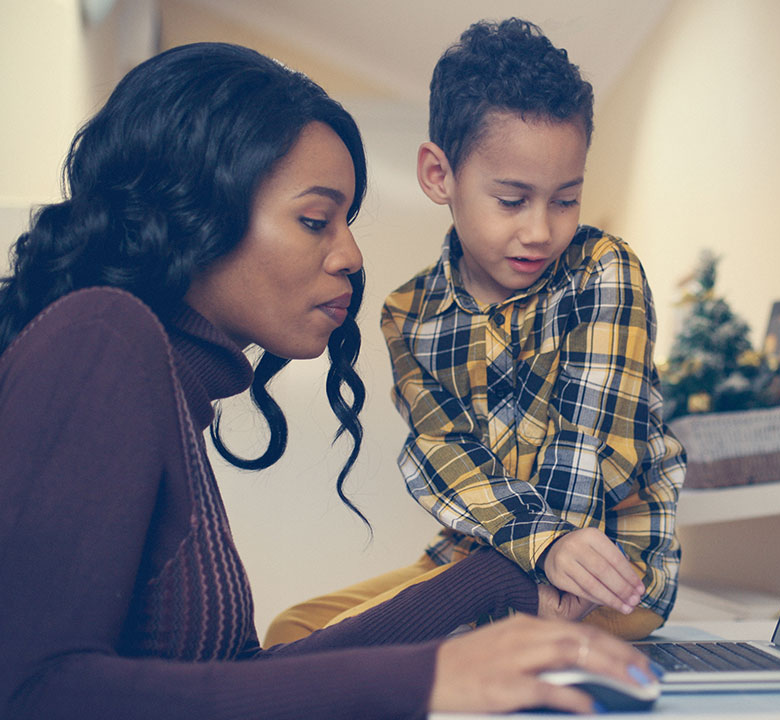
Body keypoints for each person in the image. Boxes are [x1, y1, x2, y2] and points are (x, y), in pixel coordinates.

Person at [0, 41, 655, 719]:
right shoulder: (99, 337)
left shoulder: (161, 385)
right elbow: (31, 694)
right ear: (195, 211)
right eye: (316, 220)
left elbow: (241, 682)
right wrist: (425, 679)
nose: (349, 255)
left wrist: (489, 581)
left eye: (346, 222)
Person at [265, 18, 686, 646]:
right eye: (512, 200)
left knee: (333, 647)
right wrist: (514, 554)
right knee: (291, 629)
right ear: (440, 176)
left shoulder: (604, 271)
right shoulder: (409, 313)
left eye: (565, 200)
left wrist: (547, 550)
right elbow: (443, 454)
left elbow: (592, 452)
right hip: (477, 557)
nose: (541, 230)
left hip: (603, 578)